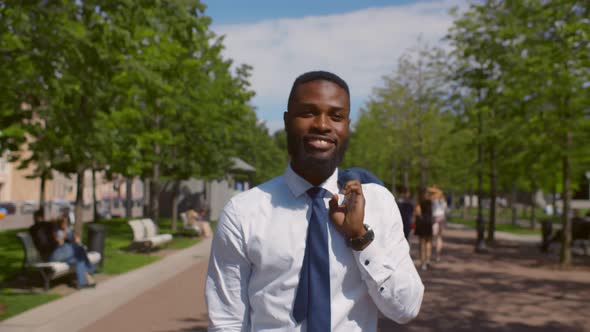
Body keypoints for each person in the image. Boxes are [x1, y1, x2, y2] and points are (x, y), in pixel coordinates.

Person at [206, 71, 424, 331]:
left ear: (347, 127)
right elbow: (227, 322)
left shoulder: (378, 203)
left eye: (336, 116)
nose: (322, 124)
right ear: (287, 121)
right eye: (308, 112)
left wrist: (360, 238)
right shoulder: (242, 213)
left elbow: (406, 309)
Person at [49, 216, 96, 288]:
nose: (65, 224)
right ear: (59, 223)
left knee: (79, 260)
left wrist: (74, 235)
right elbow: (60, 244)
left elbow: (76, 239)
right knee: (79, 249)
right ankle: (90, 273)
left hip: (68, 254)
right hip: (57, 255)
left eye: (66, 222)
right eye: (63, 222)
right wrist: (63, 237)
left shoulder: (68, 230)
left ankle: (83, 282)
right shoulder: (56, 231)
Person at [414, 188, 433, 270]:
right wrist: (431, 189)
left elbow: (418, 213)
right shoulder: (430, 201)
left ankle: (423, 262)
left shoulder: (419, 202)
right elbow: (440, 193)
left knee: (422, 244)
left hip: (422, 223)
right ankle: (428, 260)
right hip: (429, 223)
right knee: (428, 242)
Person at [429, 185, 447, 262]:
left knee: (432, 237)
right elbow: (445, 208)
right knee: (439, 237)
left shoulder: (432, 198)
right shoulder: (443, 198)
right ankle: (438, 255)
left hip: (435, 218)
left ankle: (429, 255)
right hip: (442, 217)